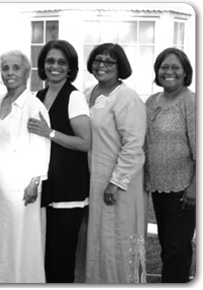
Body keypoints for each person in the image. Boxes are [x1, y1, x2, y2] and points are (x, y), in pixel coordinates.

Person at [0, 50, 51, 283]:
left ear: (26, 74)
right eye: (5, 68)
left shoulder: (34, 106)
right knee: (2, 239)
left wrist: (35, 181)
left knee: (23, 240)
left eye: (16, 68)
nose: (10, 72)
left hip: (24, 186)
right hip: (1, 186)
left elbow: (42, 144)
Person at [27, 40, 91, 283]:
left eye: (62, 62)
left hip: (69, 188)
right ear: (43, 65)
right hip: (46, 186)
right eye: (50, 61)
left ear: (70, 68)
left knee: (61, 257)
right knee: (45, 255)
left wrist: (50, 132)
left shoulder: (74, 97)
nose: (55, 66)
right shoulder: (39, 96)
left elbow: (85, 142)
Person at [83, 43, 147, 283]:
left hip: (117, 183)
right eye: (98, 60)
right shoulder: (87, 92)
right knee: (96, 238)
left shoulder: (127, 97)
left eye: (109, 62)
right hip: (92, 179)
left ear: (120, 66)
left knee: (116, 239)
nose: (102, 66)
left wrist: (116, 183)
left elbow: (133, 145)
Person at [144, 47, 195, 283]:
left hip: (183, 188)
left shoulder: (191, 101)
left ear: (186, 72)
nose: (169, 71)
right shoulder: (152, 101)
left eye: (175, 67)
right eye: (164, 67)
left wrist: (195, 187)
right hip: (158, 186)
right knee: (167, 245)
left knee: (177, 249)